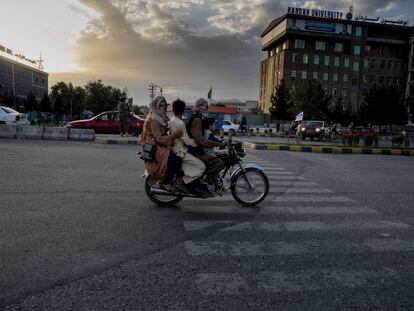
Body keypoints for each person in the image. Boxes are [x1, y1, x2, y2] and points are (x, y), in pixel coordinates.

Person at [141, 96, 182, 192]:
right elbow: (159, 138)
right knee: (177, 160)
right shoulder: (154, 119)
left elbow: (169, 127)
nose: (163, 107)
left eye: (165, 105)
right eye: (160, 105)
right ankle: (165, 182)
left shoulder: (161, 117)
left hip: (158, 144)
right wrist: (174, 135)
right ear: (156, 106)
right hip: (155, 147)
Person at [187, 98, 224, 191]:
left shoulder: (199, 119)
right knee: (219, 163)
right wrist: (217, 143)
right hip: (194, 152)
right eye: (205, 108)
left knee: (219, 157)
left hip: (196, 150)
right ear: (201, 108)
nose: (207, 110)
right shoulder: (197, 120)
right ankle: (204, 182)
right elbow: (201, 141)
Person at [169, 99, 206, 193]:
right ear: (183, 110)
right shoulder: (180, 123)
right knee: (201, 167)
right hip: (181, 151)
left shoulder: (172, 120)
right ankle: (181, 181)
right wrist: (200, 143)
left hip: (175, 149)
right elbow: (187, 141)